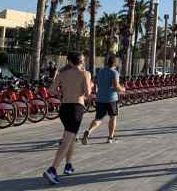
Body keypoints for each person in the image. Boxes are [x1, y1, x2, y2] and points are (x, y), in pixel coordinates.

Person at [43, 52, 92, 185]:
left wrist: (62, 94)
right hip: (76, 108)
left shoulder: (62, 74)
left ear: (69, 61)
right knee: (66, 140)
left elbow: (51, 90)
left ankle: (68, 165)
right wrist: (90, 87)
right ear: (81, 61)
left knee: (71, 137)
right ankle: (52, 169)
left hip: (64, 109)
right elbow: (87, 94)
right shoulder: (85, 74)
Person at [82, 56, 126, 145]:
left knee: (98, 118)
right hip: (111, 99)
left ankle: (88, 131)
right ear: (115, 63)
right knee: (113, 117)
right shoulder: (114, 73)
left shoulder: (100, 71)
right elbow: (116, 86)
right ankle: (110, 137)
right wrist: (122, 89)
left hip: (100, 98)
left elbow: (96, 82)